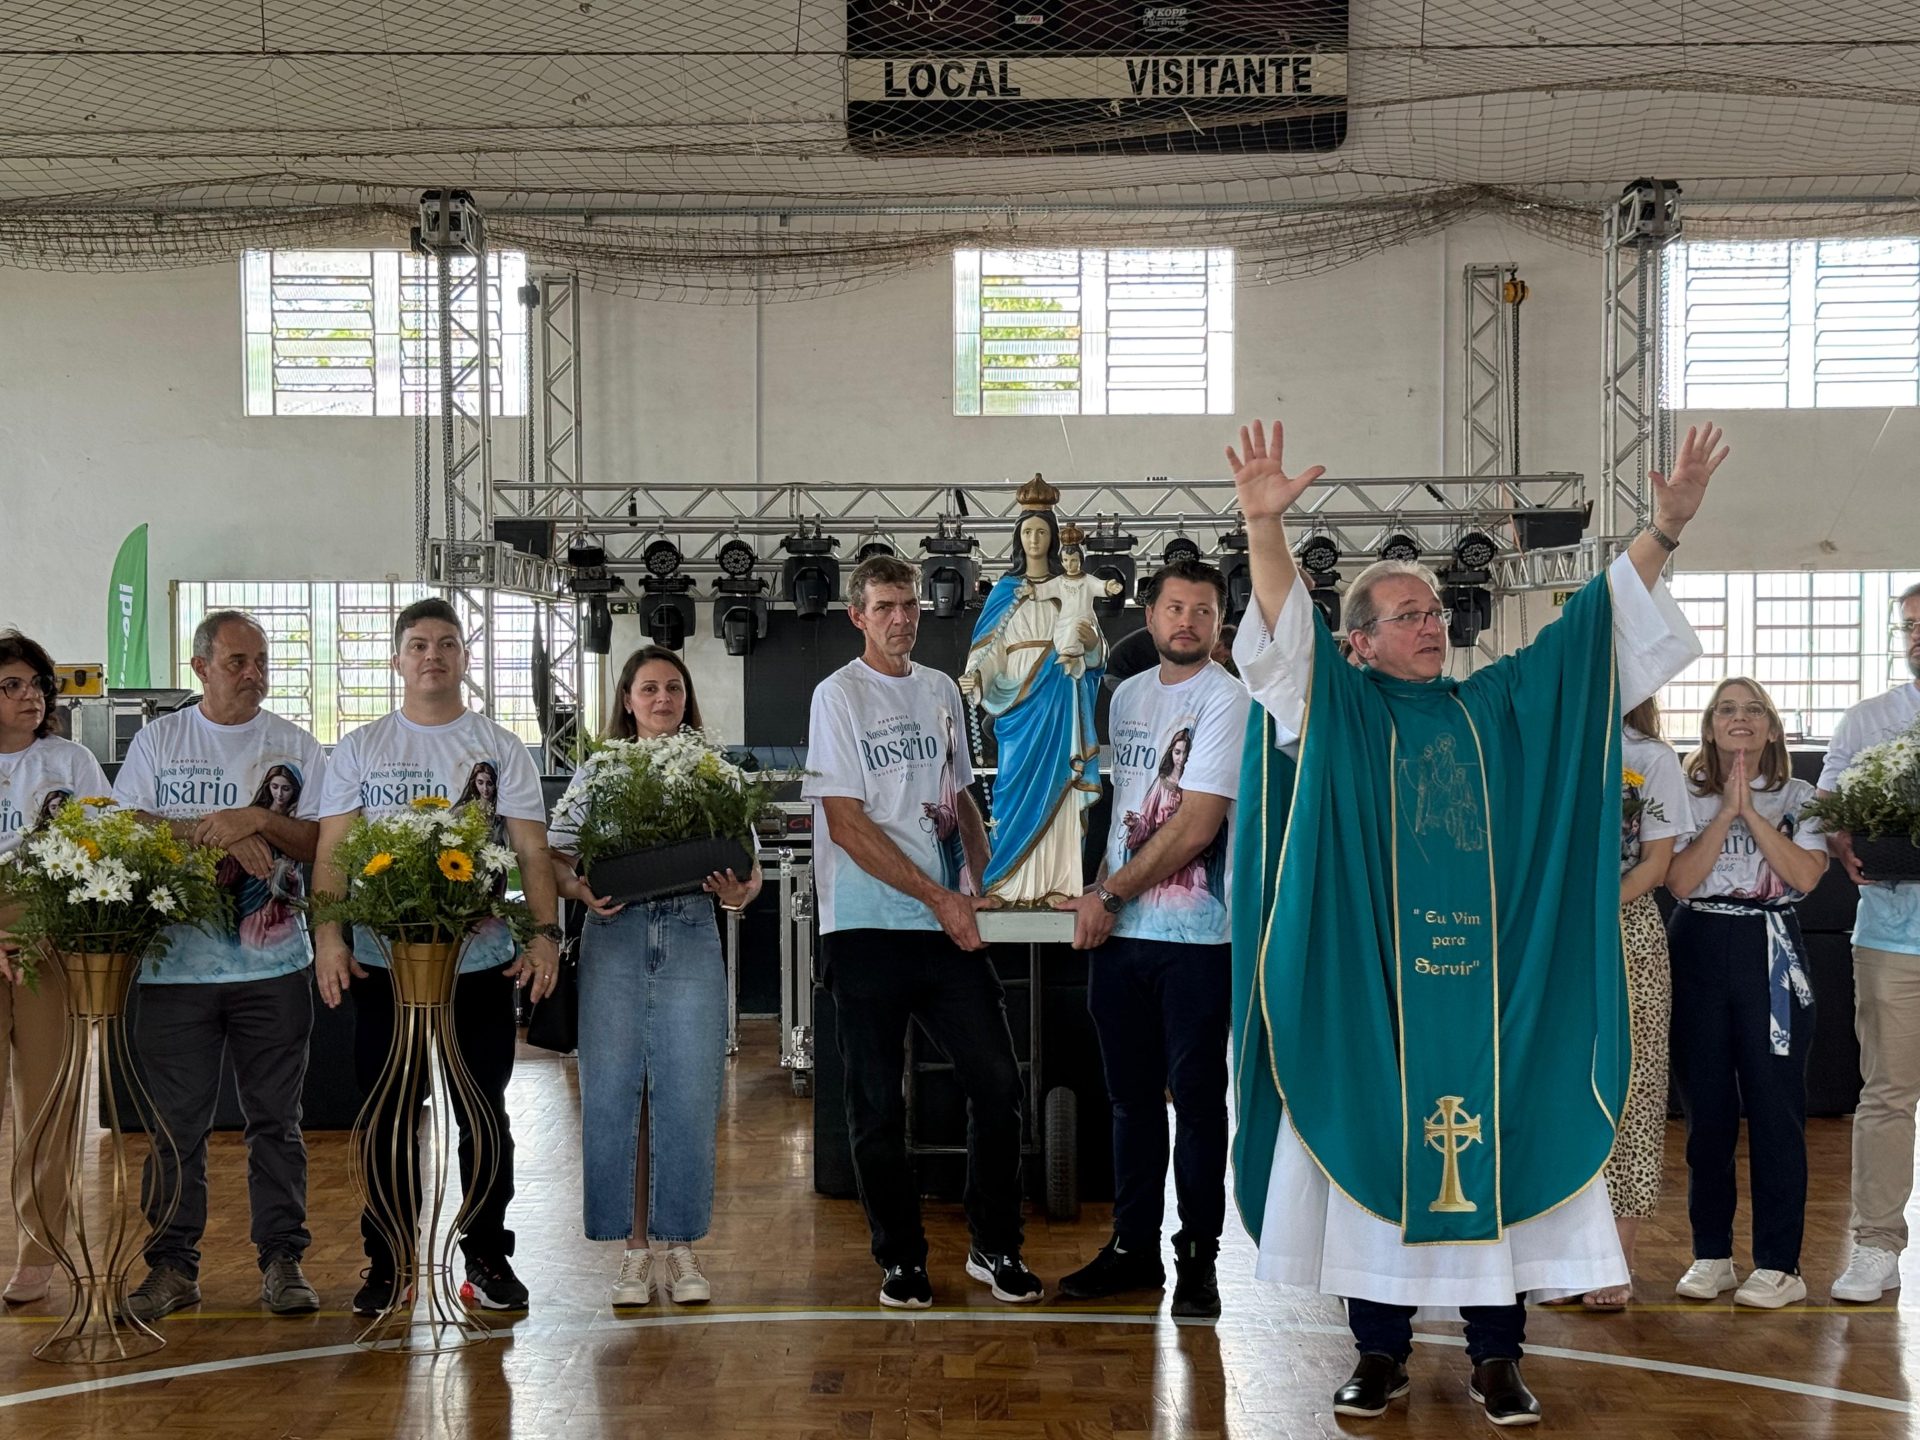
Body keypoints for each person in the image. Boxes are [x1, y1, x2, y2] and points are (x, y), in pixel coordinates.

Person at [1226, 418, 1724, 1425]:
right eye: (1406, 614)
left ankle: (1500, 1357)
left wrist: (1664, 531)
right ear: (1359, 640)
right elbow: (1283, 639)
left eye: (1435, 611)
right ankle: (1379, 1352)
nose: (1431, 625)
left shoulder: (1494, 705)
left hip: (1497, 981)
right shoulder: (1340, 711)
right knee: (1372, 1148)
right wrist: (1263, 530)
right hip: (1379, 984)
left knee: (1504, 1139)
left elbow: (1587, 639)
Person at [311, 597, 562, 1316]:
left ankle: (485, 1256)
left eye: (447, 644)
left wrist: (543, 934)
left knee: (483, 1112)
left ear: (464, 659)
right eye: (418, 644)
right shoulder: (360, 746)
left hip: (477, 965)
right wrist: (328, 936)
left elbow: (531, 851)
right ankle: (388, 1262)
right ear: (397, 659)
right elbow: (331, 853)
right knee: (387, 1114)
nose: (433, 656)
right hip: (381, 964)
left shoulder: (500, 747)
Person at [806, 553, 1041, 1309]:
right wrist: (940, 897)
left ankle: (994, 1246)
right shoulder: (837, 696)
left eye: (909, 605)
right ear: (858, 616)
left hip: (947, 926)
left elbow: (961, 795)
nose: (901, 618)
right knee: (877, 1105)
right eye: (884, 607)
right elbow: (845, 823)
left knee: (998, 1084)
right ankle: (901, 1259)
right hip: (865, 928)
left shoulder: (941, 688)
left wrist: (983, 880)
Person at [111, 611, 327, 1322]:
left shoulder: (295, 744)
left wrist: (258, 820)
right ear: (201, 667)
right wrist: (213, 832)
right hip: (174, 972)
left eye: (261, 660)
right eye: (238, 661)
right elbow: (126, 824)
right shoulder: (160, 739)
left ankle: (283, 1259)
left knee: (277, 1122)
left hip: (274, 969)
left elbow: (322, 841)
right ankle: (172, 1267)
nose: (254, 673)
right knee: (176, 1128)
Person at [1053, 559, 1249, 1319]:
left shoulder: (1228, 700)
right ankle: (1133, 1249)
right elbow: (1111, 805)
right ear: (1151, 614)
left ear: (1220, 623)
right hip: (1119, 936)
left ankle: (1198, 1259)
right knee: (1130, 1102)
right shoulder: (1127, 696)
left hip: (1197, 938)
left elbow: (1196, 825)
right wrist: (1082, 884)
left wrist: (1107, 894)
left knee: (1197, 1102)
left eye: (1203, 610)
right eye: (1175, 607)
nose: (1187, 622)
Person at [547, 646, 761, 1308]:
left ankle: (681, 1246)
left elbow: (748, 870)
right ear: (627, 700)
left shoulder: (715, 771)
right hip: (614, 935)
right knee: (616, 1092)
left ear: (686, 698)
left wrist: (737, 895)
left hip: (693, 933)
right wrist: (579, 891)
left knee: (689, 1092)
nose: (662, 698)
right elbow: (555, 854)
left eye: (673, 687)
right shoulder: (600, 770)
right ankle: (634, 1253)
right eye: (649, 688)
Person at [1665, 676, 1829, 1310]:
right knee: (1706, 1109)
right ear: (1709, 726)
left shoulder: (1799, 794)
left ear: (1771, 727)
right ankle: (1712, 1254)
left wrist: (1752, 814)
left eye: (1754, 709)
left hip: (1772, 950)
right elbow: (1680, 881)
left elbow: (1805, 875)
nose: (1741, 718)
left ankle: (1780, 1264)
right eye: (1727, 709)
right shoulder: (1683, 791)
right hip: (1700, 943)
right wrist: (1724, 813)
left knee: (1774, 1106)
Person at [0, 629, 111, 1306]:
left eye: (37, 685)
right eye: (11, 686)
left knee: (48, 1101)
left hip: (51, 934)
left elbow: (108, 844)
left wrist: (55, 924)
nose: (30, 697)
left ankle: (38, 1251)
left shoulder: (70, 760)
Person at [1575, 696, 1692, 1310]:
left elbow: (1656, 864)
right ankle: (1564, 1253)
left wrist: (1593, 907)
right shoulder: (1554, 741)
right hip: (1554, 935)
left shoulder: (1651, 759)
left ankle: (1617, 1256)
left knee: (1634, 1088)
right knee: (1564, 1087)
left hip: (1625, 929)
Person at [1826, 581, 1920, 1304]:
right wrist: (1841, 837)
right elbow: (1829, 799)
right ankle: (1876, 1244)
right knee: (1887, 1093)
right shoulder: (1869, 719)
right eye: (1910, 626)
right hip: (1892, 935)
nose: (1918, 637)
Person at [959, 478, 1104, 906]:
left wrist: (1092, 644)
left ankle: (1058, 882)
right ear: (1018, 538)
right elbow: (990, 650)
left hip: (1060, 697)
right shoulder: (1005, 591)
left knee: (1060, 787)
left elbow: (1095, 649)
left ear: (1054, 538)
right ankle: (1008, 882)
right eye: (1028, 532)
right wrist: (977, 678)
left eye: (1042, 531)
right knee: (1013, 789)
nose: (1035, 539)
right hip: (1018, 706)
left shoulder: (1070, 586)